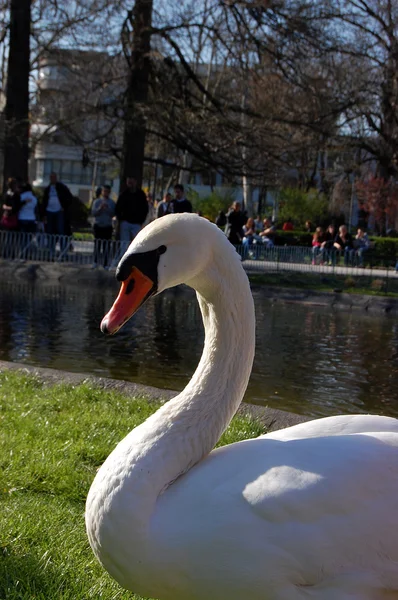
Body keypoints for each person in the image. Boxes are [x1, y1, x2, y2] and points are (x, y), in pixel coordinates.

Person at [42, 172, 73, 254]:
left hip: (59, 211)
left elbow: (69, 198)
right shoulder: (48, 189)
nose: (53, 179)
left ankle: (63, 250)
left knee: (61, 230)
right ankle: (51, 250)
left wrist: (64, 207)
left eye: (54, 177)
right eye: (51, 178)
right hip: (49, 211)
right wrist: (44, 214)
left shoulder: (61, 187)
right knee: (50, 231)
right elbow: (44, 201)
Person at [115, 177, 148, 245]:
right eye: (129, 182)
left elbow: (145, 208)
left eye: (131, 182)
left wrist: (141, 220)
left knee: (137, 244)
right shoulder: (124, 194)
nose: (130, 184)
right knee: (124, 244)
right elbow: (118, 208)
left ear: (135, 182)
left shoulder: (141, 194)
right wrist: (120, 219)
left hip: (136, 223)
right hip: (125, 222)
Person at [91, 184, 116, 268]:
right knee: (97, 245)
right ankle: (95, 262)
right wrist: (100, 208)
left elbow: (113, 214)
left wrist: (107, 208)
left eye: (107, 191)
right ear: (102, 192)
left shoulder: (112, 203)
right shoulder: (97, 202)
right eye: (104, 191)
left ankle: (105, 263)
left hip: (107, 226)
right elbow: (93, 213)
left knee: (106, 246)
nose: (105, 193)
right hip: (98, 225)